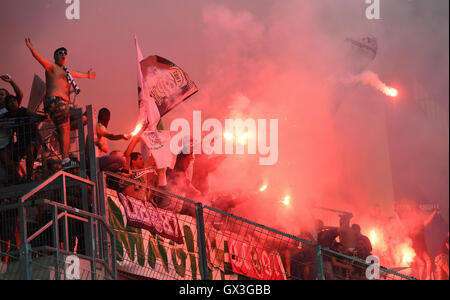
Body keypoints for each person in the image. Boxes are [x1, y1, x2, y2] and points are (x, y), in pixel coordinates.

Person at [25, 38, 96, 169]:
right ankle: (65, 160)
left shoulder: (66, 72)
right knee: (65, 129)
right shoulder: (51, 66)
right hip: (56, 102)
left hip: (61, 105)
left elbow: (78, 74)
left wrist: (87, 75)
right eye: (60, 53)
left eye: (65, 53)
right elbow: (39, 58)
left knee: (80, 120)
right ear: (55, 56)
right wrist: (32, 49)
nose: (63, 54)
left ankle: (58, 135)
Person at [1, 95, 45, 182]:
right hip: (21, 140)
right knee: (5, 154)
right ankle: (18, 178)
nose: (13, 103)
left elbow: (35, 115)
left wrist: (43, 116)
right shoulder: (7, 115)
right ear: (7, 106)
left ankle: (29, 178)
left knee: (29, 150)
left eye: (14, 100)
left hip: (33, 137)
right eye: (10, 101)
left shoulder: (23, 111)